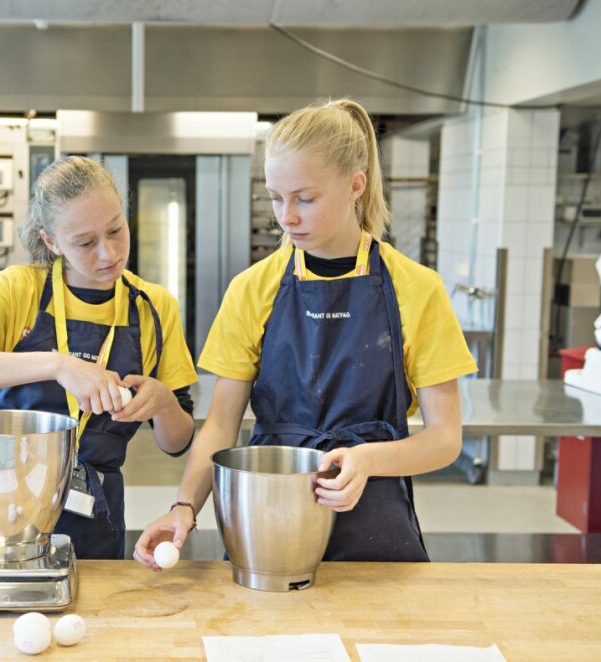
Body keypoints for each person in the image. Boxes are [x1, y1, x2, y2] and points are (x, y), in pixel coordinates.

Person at [134, 100, 478, 569]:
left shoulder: (416, 288)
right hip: (269, 511)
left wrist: (368, 461)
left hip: (372, 512)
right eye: (276, 198)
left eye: (305, 198)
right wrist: (184, 507)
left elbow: (445, 439)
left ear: (356, 184)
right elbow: (220, 424)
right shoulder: (252, 289)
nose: (286, 217)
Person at [0, 155, 197, 560]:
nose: (109, 253)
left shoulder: (153, 307)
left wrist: (165, 402)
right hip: (7, 505)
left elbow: (178, 441)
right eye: (85, 243)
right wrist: (58, 364)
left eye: (117, 230)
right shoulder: (20, 290)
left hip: (95, 510)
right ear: (51, 241)